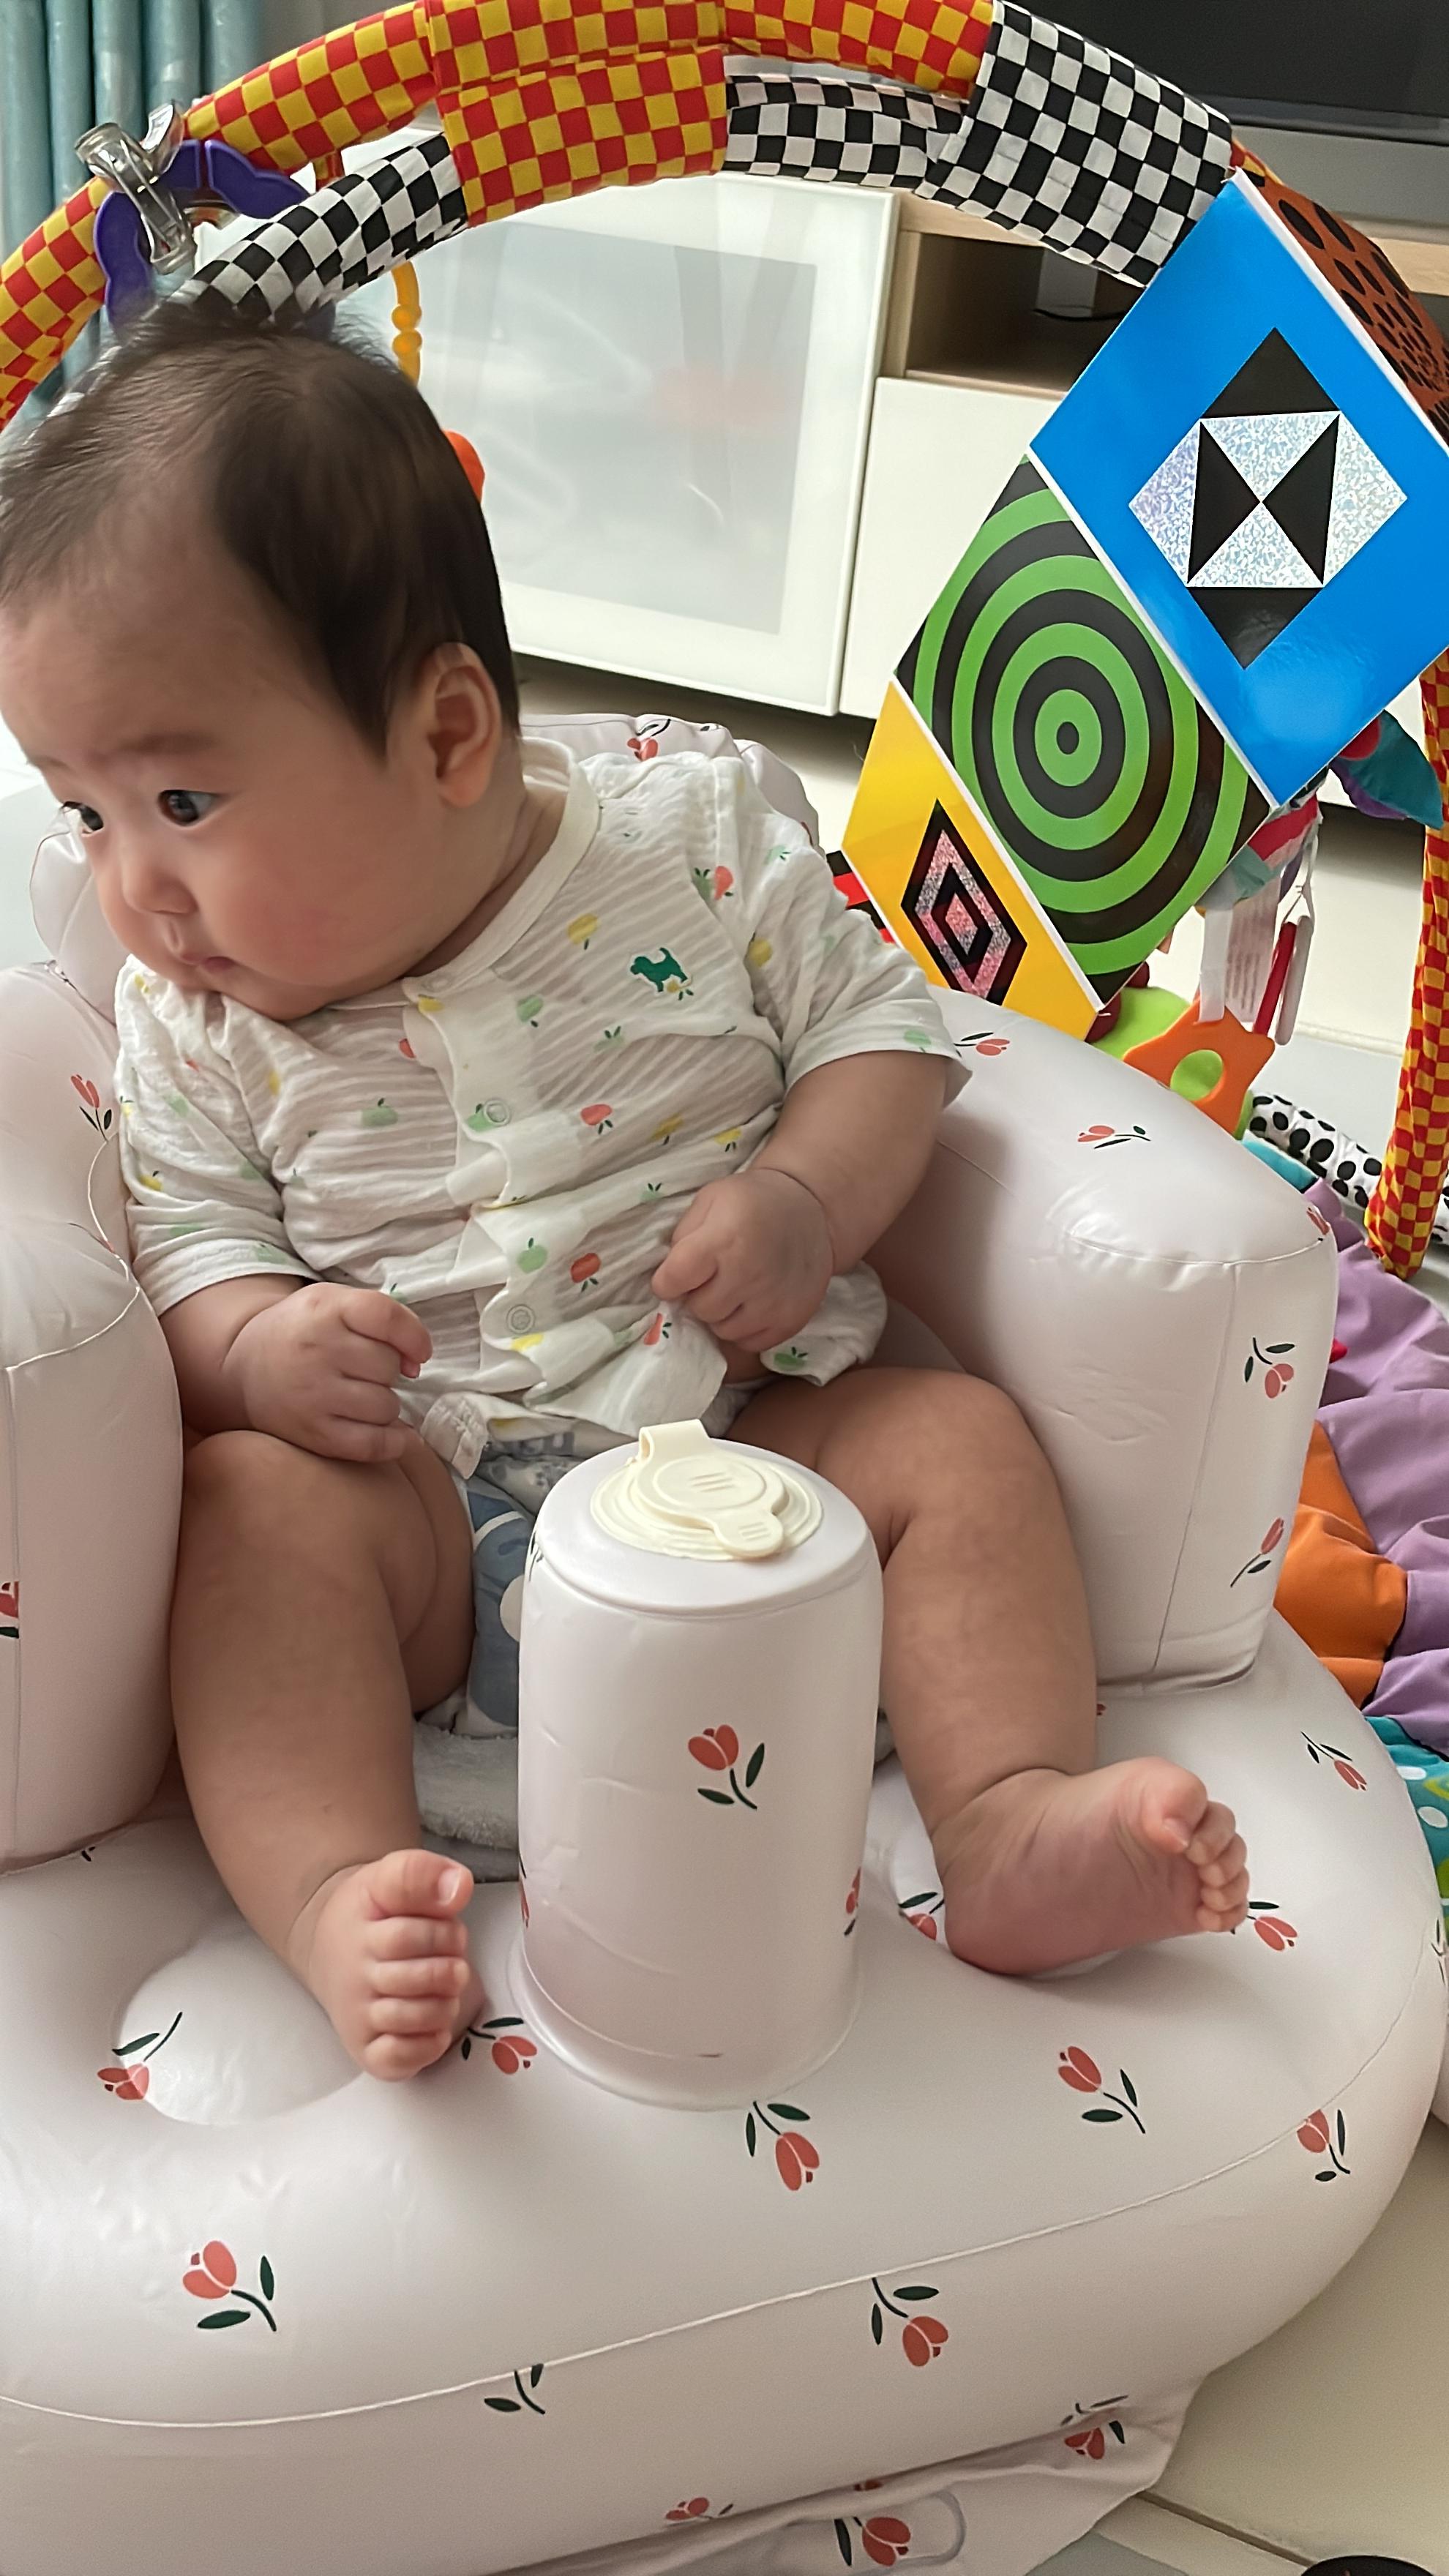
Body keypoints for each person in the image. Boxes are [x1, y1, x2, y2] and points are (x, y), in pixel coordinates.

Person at [0, 300, 1248, 2080]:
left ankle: (1005, 1816)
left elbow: (888, 1037)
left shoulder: (694, 845)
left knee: (959, 1446)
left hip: (749, 1447)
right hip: (426, 1519)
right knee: (256, 1514)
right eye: (84, 813)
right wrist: (261, 1348)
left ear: (447, 735)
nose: (135, 886)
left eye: (182, 798)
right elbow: (192, 1248)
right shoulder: (195, 1024)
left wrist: (807, 1199)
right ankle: (340, 1888)